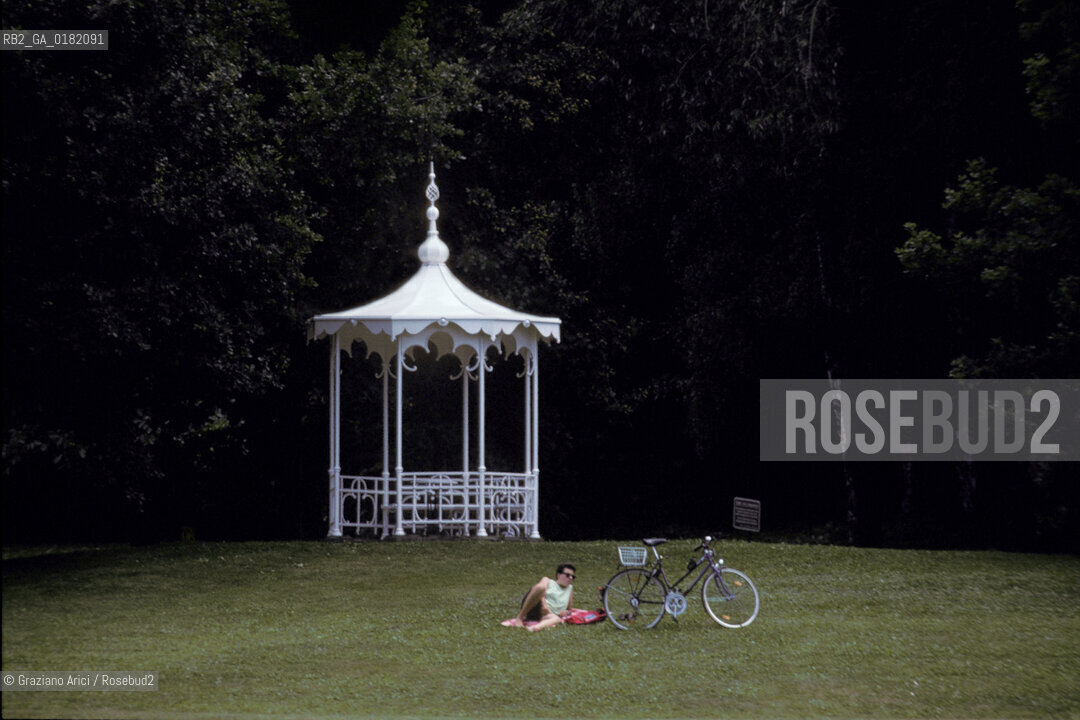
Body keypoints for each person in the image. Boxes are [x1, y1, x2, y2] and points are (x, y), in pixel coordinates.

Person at [502, 563, 576, 632]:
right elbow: (539, 589)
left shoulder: (570, 588)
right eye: (567, 575)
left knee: (556, 619)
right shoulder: (548, 581)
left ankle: (534, 628)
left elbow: (569, 610)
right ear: (559, 575)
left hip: (548, 615)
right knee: (540, 587)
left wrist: (566, 612)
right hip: (536, 607)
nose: (570, 578)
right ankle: (520, 617)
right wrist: (544, 606)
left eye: (572, 576)